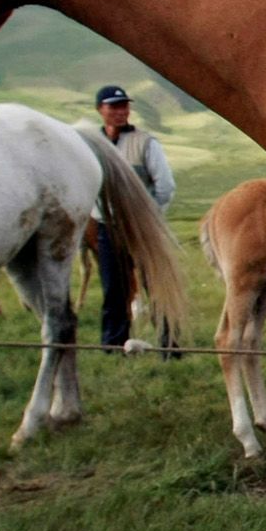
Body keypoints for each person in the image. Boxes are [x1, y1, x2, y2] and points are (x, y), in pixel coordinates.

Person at [90, 84, 176, 353]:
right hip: (108, 227)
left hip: (142, 228)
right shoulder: (93, 144)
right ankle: (113, 345)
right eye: (114, 106)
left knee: (156, 286)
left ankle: (170, 344)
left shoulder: (146, 142)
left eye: (124, 106)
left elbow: (165, 186)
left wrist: (146, 215)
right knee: (113, 289)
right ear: (100, 110)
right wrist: (98, 213)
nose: (121, 111)